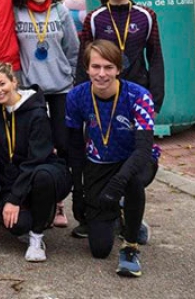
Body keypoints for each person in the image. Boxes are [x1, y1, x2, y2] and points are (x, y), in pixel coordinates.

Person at [66, 40, 160, 277]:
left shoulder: (139, 96)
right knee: (99, 249)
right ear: (86, 68)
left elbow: (142, 150)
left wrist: (116, 185)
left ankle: (130, 246)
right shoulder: (76, 96)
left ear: (119, 69)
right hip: (99, 162)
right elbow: (75, 147)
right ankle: (119, 214)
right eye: (95, 67)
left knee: (133, 182)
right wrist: (79, 192)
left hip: (135, 160)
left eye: (108, 67)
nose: (101, 74)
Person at [12, 0, 80, 227]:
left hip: (61, 87)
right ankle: (35, 198)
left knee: (62, 144)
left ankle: (60, 202)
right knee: (34, 146)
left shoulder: (61, 11)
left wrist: (72, 79)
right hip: (30, 90)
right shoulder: (17, 12)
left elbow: (73, 50)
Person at [0, 62, 72, 262]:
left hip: (47, 172)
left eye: (2, 83)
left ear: (14, 81)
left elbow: (35, 160)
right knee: (16, 225)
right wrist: (8, 197)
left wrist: (14, 199)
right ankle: (38, 214)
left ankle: (37, 238)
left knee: (42, 175)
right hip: (16, 178)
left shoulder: (36, 113)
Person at [75, 0, 164, 114]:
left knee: (140, 138)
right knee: (103, 137)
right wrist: (81, 98)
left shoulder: (146, 16)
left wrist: (155, 103)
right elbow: (84, 61)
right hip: (102, 94)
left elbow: (155, 58)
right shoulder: (94, 18)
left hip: (138, 92)